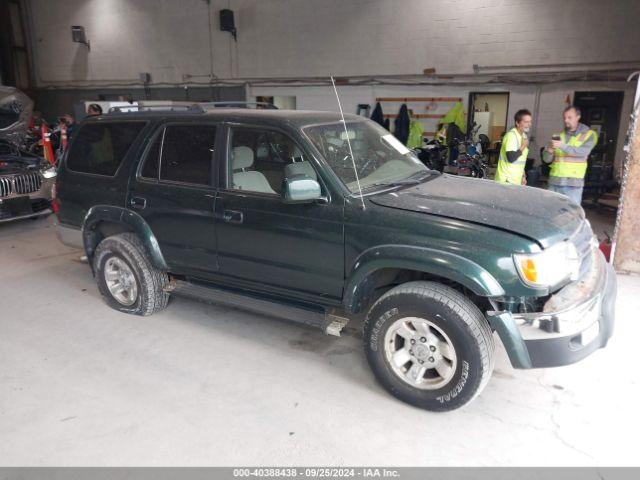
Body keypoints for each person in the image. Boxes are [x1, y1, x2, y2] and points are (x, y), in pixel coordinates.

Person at [542, 105, 598, 205]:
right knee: (549, 212)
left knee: (571, 214)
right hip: (554, 182)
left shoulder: (590, 135)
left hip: (572, 185)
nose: (566, 120)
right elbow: (546, 159)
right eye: (564, 118)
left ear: (578, 117)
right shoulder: (558, 135)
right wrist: (549, 151)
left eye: (569, 117)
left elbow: (584, 152)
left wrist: (562, 146)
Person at [495, 109, 532, 185]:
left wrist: (523, 176)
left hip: (515, 180)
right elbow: (511, 157)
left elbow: (521, 160)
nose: (529, 124)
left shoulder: (523, 136)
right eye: (526, 122)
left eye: (530, 121)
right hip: (506, 180)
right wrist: (523, 146)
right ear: (517, 123)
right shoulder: (511, 136)